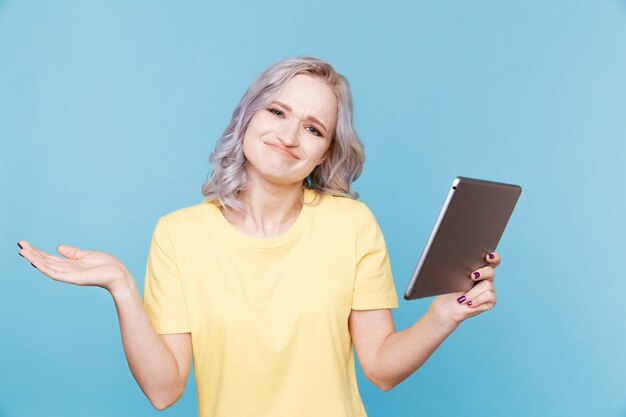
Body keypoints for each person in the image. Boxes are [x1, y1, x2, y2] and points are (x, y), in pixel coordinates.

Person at [17, 56, 500, 417]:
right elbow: (164, 391)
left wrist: (443, 315)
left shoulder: (352, 225)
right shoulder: (178, 235)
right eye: (277, 112)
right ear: (248, 116)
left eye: (312, 128)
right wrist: (122, 287)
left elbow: (380, 369)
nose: (289, 136)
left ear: (325, 153)